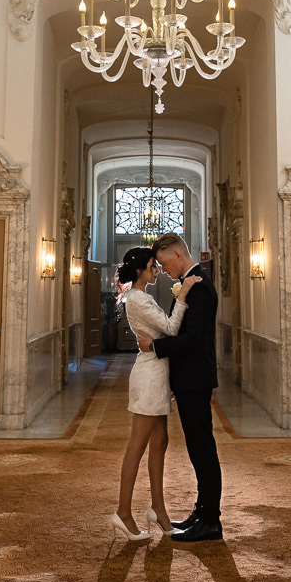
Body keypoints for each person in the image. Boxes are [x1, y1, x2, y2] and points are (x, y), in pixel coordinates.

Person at [135, 232, 223, 542]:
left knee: (203, 449)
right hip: (188, 379)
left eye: (163, 262)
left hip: (195, 379)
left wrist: (155, 347)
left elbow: (193, 339)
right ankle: (202, 511)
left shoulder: (199, 286)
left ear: (176, 255)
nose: (163, 269)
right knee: (198, 448)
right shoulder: (191, 282)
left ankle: (211, 520)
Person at [109, 246, 201, 541]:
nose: (157, 270)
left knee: (161, 442)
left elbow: (162, 334)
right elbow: (172, 329)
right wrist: (183, 294)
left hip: (158, 374)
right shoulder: (137, 299)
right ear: (139, 271)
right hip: (149, 376)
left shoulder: (140, 297)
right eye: (152, 266)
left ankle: (158, 510)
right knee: (137, 446)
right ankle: (123, 513)